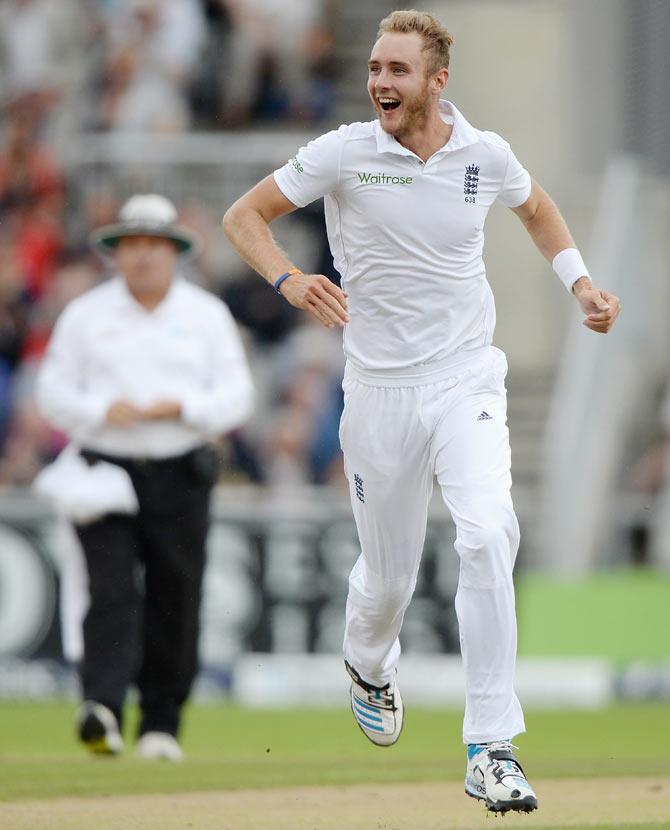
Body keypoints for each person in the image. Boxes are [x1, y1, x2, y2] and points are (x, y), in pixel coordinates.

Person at [223, 9, 620, 814]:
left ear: (439, 82)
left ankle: (490, 745)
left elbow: (536, 207)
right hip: (377, 393)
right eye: (374, 68)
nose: (379, 83)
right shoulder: (343, 150)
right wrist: (289, 281)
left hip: (466, 378)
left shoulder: (485, 153)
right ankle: (369, 664)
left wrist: (578, 281)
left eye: (397, 71)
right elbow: (244, 217)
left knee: (486, 532)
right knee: (388, 584)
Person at [35, 194, 254, 760]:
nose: (142, 258)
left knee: (174, 596)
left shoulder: (205, 315)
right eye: (131, 246)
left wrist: (181, 406)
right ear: (116, 253)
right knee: (107, 590)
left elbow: (237, 396)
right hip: (104, 467)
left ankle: (161, 722)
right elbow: (52, 391)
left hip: (179, 469)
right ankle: (102, 705)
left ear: (173, 253)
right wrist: (100, 410)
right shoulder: (87, 315)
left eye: (153, 246)